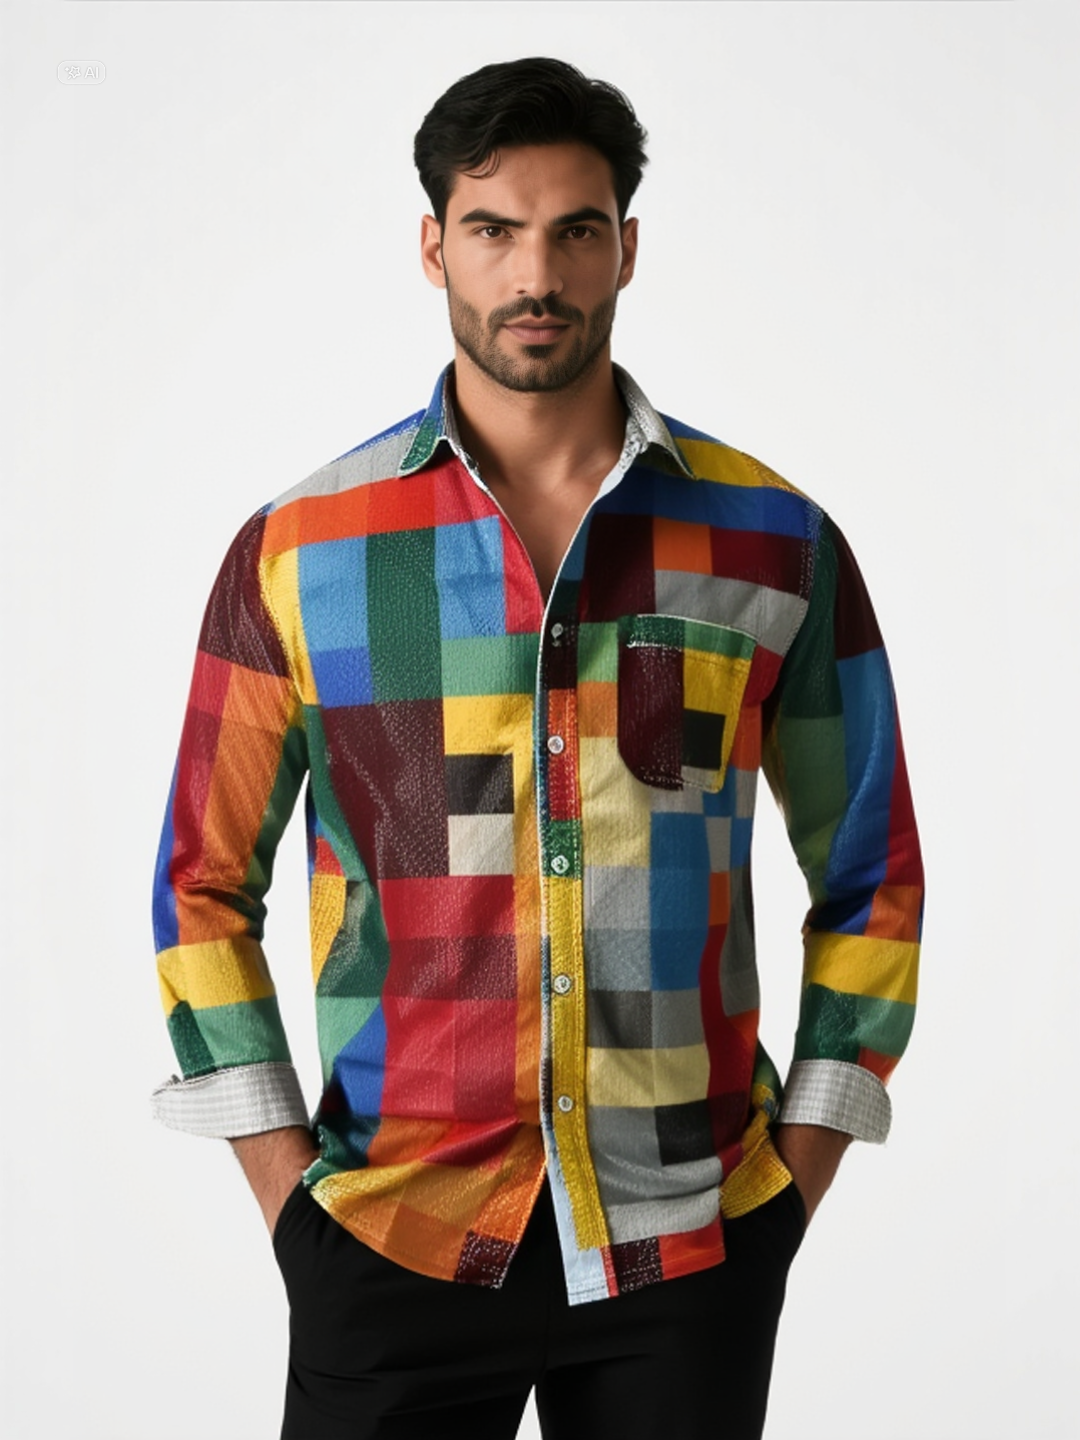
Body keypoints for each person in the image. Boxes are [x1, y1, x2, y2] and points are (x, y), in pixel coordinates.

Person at [151, 56, 923, 1440]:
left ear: (627, 247)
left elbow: (874, 878)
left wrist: (794, 1182)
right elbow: (199, 886)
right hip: (393, 1232)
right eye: (494, 229)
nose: (536, 274)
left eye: (576, 229)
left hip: (690, 1239)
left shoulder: (774, 542)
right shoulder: (300, 553)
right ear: (433, 245)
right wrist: (286, 1195)